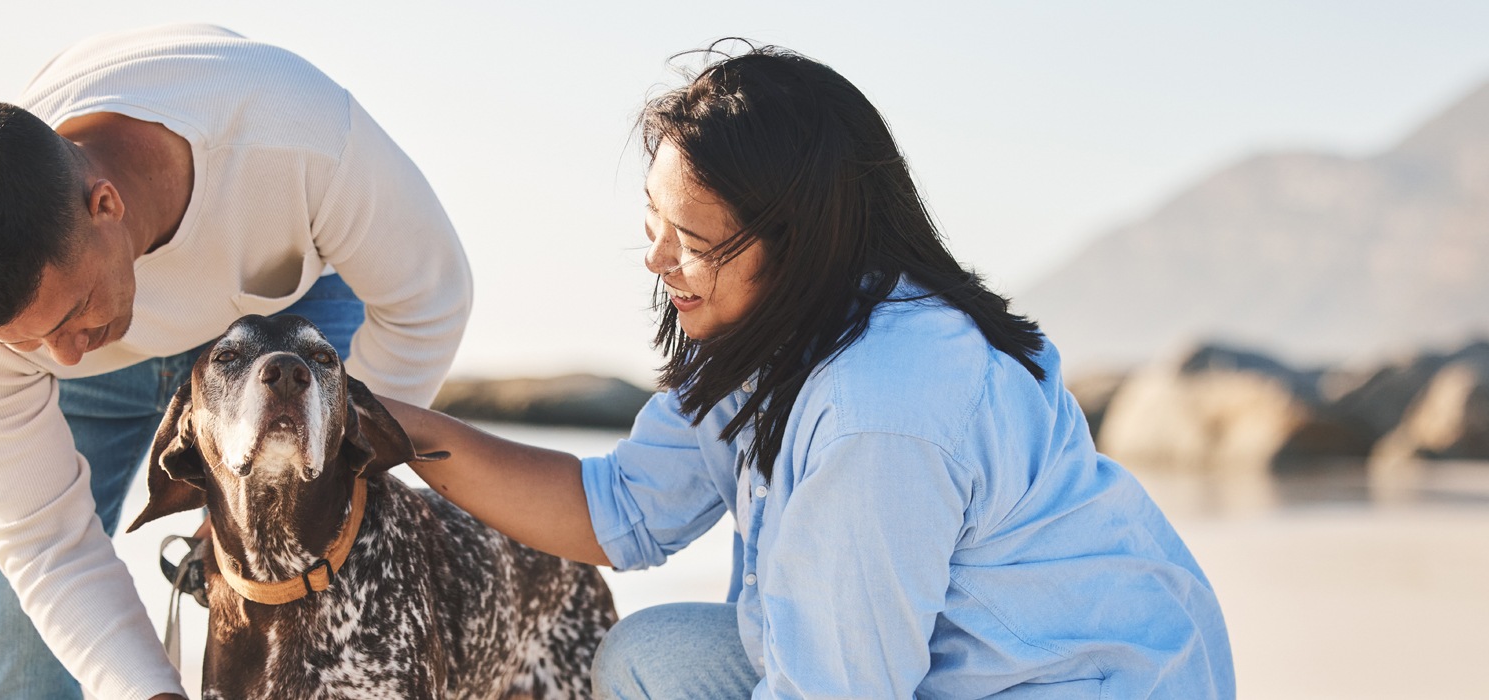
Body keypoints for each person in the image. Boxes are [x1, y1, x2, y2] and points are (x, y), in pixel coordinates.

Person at [381, 44, 1235, 698]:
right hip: (960, 663)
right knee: (653, 658)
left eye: (695, 241)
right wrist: (408, 432)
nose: (658, 259)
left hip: (1079, 682)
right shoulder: (772, 332)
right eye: (653, 220)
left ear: (799, 244)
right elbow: (620, 510)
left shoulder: (881, 413)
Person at [0, 24, 470, 700]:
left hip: (281, 323)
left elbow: (432, 300)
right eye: (26, 342)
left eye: (72, 311)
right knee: (17, 646)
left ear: (105, 205)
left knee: (325, 587)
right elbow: (45, 546)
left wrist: (334, 463)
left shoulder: (297, 135)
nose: (67, 356)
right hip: (161, 338)